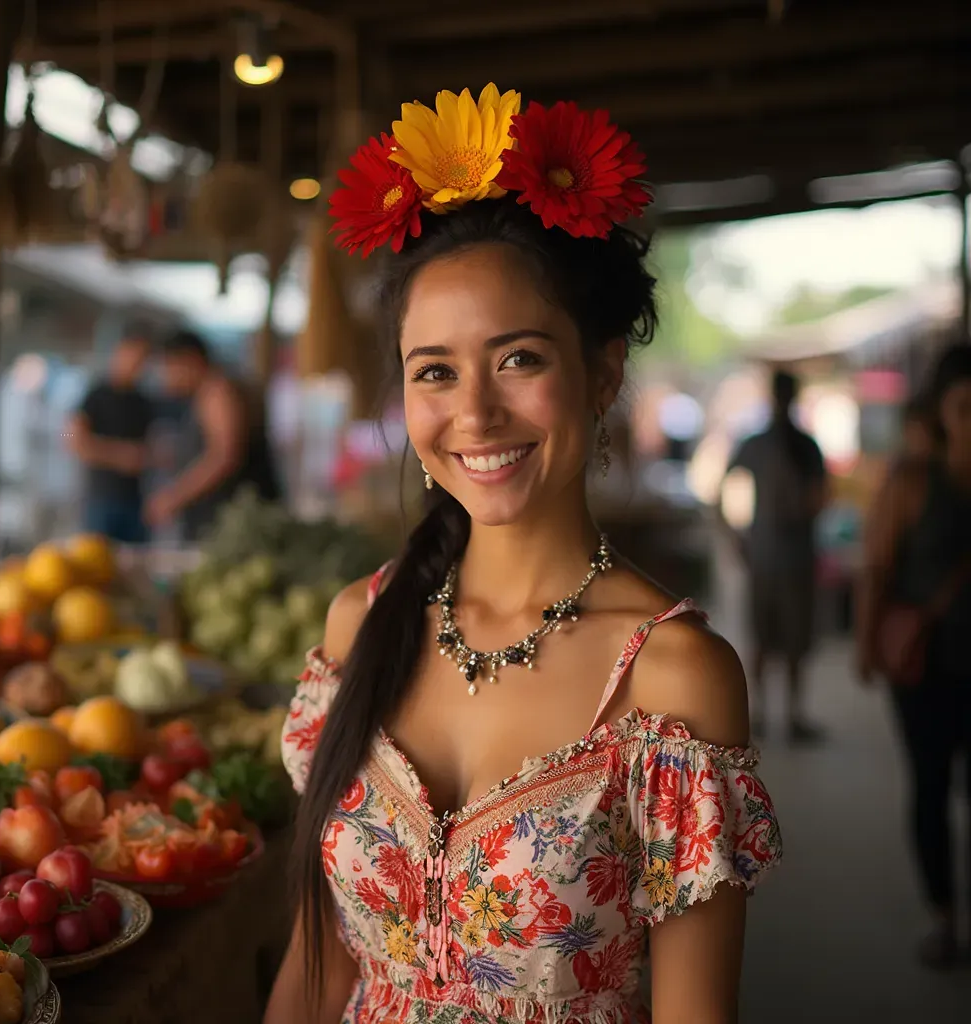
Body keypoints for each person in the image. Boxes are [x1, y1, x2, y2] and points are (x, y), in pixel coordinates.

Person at [268, 85, 781, 1024]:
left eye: (518, 359)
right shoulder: (360, 622)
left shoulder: (673, 678)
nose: (474, 412)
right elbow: (316, 969)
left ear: (602, 373)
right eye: (435, 371)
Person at [856, 343, 971, 969]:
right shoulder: (913, 481)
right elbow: (875, 567)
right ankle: (945, 918)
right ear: (942, 411)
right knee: (930, 788)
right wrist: (867, 647)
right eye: (963, 405)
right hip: (926, 666)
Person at [722, 370, 828, 743]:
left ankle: (781, 714)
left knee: (786, 639)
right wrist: (735, 535)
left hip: (781, 555)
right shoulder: (785, 444)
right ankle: (773, 714)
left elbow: (819, 497)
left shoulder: (794, 445)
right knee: (770, 639)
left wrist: (736, 534)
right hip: (773, 555)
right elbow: (725, 484)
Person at [146, 329, 281, 540]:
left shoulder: (217, 391)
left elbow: (224, 455)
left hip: (233, 525)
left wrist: (173, 497)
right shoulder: (206, 393)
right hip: (223, 523)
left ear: (190, 360)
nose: (165, 377)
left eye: (168, 367)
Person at [67, 324, 154, 544]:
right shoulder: (96, 395)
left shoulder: (142, 400)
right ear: (120, 352)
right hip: (101, 499)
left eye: (143, 358)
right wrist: (119, 456)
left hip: (135, 499)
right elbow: (70, 440)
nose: (138, 365)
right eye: (134, 356)